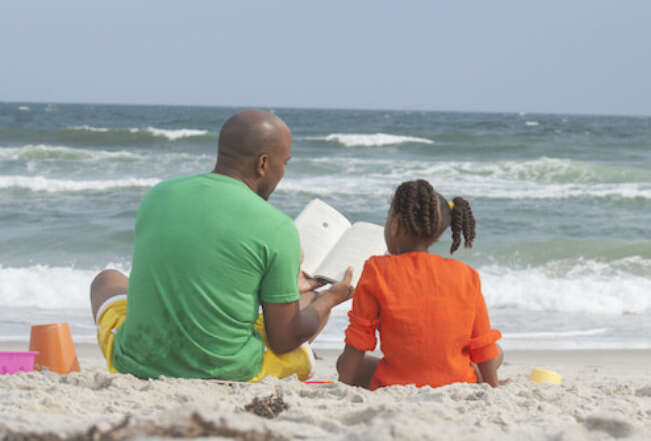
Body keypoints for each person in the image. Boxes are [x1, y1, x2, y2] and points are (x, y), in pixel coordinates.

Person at [89, 109, 353, 381]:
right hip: (228, 370)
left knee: (106, 280)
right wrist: (331, 299)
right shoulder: (277, 226)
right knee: (310, 305)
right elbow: (285, 339)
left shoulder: (158, 195)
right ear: (262, 164)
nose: (282, 171)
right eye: (284, 162)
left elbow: (190, 269)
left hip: (136, 362)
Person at [336, 179, 504, 389]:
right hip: (457, 382)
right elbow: (482, 342)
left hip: (396, 383)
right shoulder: (467, 274)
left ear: (395, 226)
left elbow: (358, 339)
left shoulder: (376, 270)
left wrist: (342, 385)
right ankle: (476, 377)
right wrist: (493, 386)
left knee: (342, 362)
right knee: (497, 351)